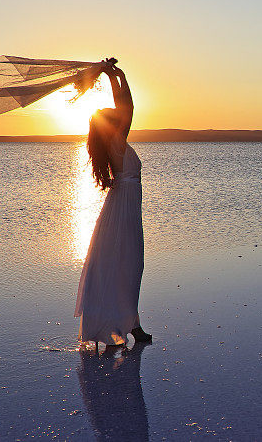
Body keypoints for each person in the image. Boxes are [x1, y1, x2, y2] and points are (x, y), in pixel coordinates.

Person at [74, 62, 152, 347]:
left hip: (122, 209)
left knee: (126, 266)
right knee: (128, 266)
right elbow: (128, 106)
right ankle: (128, 326)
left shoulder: (113, 144)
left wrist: (113, 75)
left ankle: (131, 323)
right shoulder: (117, 142)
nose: (120, 118)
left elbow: (124, 108)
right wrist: (115, 75)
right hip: (123, 212)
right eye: (114, 118)